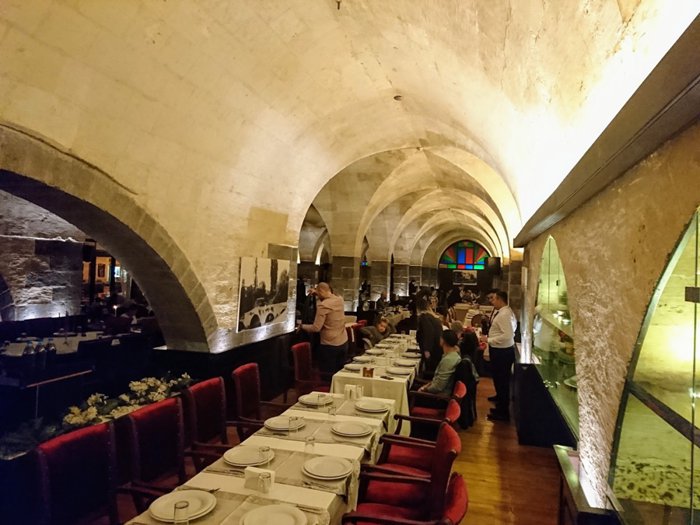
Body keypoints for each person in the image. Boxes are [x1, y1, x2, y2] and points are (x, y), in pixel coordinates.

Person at [480, 290, 517, 421]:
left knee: (502, 381)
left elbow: (508, 335)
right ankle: (500, 400)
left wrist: (489, 340)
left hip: (502, 352)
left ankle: (503, 412)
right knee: (499, 379)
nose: (492, 302)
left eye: (494, 299)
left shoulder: (504, 315)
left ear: (500, 299)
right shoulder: (506, 312)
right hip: (502, 350)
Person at [299, 282, 348, 374]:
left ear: (321, 292)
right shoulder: (340, 299)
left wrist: (302, 326)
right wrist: (317, 292)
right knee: (339, 373)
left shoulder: (323, 305)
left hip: (330, 345)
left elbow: (316, 328)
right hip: (343, 342)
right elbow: (329, 292)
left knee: (327, 375)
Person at [417, 329, 461, 395]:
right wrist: (426, 386)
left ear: (443, 340)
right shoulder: (453, 355)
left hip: (439, 396)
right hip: (437, 390)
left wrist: (424, 389)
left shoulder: (448, 360)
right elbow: (437, 380)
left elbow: (438, 387)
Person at [416, 298, 443, 378]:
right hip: (438, 348)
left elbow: (428, 333)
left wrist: (427, 350)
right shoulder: (432, 317)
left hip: (433, 350)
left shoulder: (424, 317)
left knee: (428, 368)